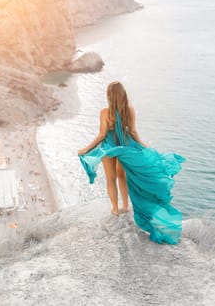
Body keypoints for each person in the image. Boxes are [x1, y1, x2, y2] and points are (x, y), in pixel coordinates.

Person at [78, 81, 185, 244]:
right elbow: (133, 132)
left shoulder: (105, 112)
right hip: (125, 147)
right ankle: (126, 205)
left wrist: (86, 149)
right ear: (123, 95)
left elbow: (101, 135)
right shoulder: (130, 111)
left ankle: (115, 209)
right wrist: (145, 147)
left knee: (110, 178)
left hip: (108, 148)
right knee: (123, 177)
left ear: (109, 96)